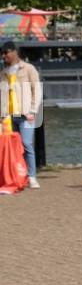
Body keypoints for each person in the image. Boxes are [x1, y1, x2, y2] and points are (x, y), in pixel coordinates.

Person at [1, 40, 42, 189]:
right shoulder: (3, 73)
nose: (3, 56)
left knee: (27, 144)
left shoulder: (28, 69)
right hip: (9, 116)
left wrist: (33, 111)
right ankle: (19, 175)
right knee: (14, 147)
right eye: (2, 54)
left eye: (5, 53)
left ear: (13, 52)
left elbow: (36, 90)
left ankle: (32, 176)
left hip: (25, 114)